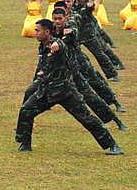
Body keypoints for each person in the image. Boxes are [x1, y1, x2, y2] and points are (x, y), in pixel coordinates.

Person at [14, 19, 122, 155]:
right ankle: (25, 144)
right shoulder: (42, 46)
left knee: (86, 118)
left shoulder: (56, 44)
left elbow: (60, 45)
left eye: (37, 30)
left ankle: (113, 146)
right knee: (26, 110)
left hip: (66, 92)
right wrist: (44, 73)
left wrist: (56, 44)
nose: (35, 33)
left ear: (47, 32)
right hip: (47, 91)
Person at [50, 5, 127, 132]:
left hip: (76, 69)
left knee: (93, 95)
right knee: (31, 95)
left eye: (60, 18)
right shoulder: (51, 30)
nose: (57, 21)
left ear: (65, 17)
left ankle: (116, 117)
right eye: (55, 19)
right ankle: (25, 123)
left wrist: (62, 39)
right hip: (56, 74)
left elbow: (73, 32)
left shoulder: (71, 25)